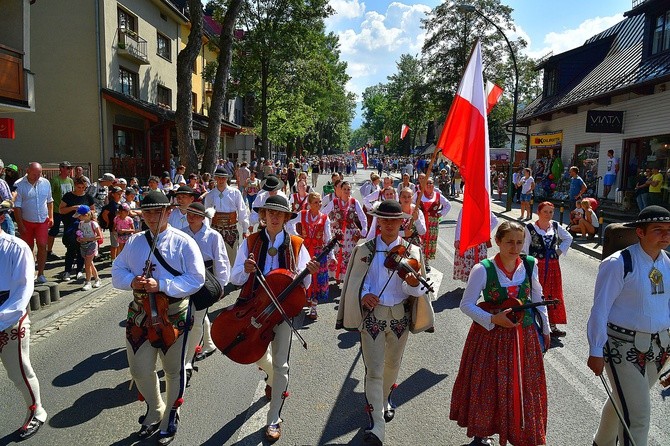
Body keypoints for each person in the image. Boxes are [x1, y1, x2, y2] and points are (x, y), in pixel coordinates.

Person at [336, 200, 434, 446]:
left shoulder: (412, 251)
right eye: (385, 219)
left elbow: (418, 290)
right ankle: (377, 424)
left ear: (402, 221)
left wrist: (413, 284)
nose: (389, 224)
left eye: (394, 220)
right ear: (378, 221)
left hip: (400, 317)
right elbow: (358, 281)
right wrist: (364, 294)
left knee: (392, 365)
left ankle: (386, 398)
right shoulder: (364, 249)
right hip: (373, 317)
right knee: (375, 370)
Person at [112, 191, 205, 445]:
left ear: (170, 212)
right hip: (140, 314)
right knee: (139, 369)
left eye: (158, 211)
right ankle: (155, 408)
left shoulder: (183, 242)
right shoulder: (134, 242)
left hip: (173, 314)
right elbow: (117, 270)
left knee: (173, 370)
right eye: (147, 211)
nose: (152, 217)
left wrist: (162, 284)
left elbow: (197, 278)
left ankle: (171, 414)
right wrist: (131, 280)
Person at [450, 221, 551, 446]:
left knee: (524, 385)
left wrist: (545, 328)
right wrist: (493, 319)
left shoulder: (530, 265)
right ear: (497, 242)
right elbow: (466, 305)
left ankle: (521, 432)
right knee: (489, 383)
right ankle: (482, 432)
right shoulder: (483, 269)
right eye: (509, 242)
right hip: (490, 336)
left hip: (523, 335)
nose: (515, 248)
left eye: (519, 242)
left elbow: (537, 298)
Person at [229, 195, 319, 442]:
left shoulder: (298, 244)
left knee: (282, 365)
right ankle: (270, 376)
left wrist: (308, 273)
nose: (275, 217)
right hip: (253, 310)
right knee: (253, 354)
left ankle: (274, 418)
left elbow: (305, 283)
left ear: (287, 218)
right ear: (263, 216)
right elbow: (234, 277)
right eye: (271, 213)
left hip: (282, 313)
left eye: (280, 214)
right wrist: (244, 270)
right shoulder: (249, 242)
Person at [587, 205, 670, 446]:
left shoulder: (668, 264)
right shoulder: (618, 263)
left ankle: (600, 443)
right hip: (622, 348)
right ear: (640, 232)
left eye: (668, 230)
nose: (665, 235)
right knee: (639, 416)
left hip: (659, 348)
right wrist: (595, 350)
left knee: (623, 402)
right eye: (658, 230)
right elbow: (600, 309)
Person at [0, 200, 48, 440]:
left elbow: (22, 291)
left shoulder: (16, 247)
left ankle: (36, 410)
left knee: (18, 370)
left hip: (9, 316)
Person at [182, 202, 230, 384]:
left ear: (203, 218)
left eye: (195, 214)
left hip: (205, 280)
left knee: (197, 318)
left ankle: (187, 360)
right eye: (189, 213)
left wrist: (221, 284)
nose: (191, 217)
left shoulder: (212, 236)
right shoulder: (182, 233)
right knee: (195, 315)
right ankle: (209, 344)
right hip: (185, 279)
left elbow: (221, 259)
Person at [523, 201, 573, 337]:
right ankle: (535, 324)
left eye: (551, 212)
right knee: (537, 292)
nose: (548, 214)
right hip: (536, 266)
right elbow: (525, 248)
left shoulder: (555, 226)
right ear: (538, 212)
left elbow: (569, 238)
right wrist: (526, 266)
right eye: (545, 211)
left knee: (553, 293)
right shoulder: (529, 228)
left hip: (553, 267)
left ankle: (552, 325)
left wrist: (559, 251)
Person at [287, 192, 333, 320]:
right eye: (316, 202)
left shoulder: (324, 218)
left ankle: (314, 307)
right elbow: (289, 223)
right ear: (309, 204)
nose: (319, 205)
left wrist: (331, 256)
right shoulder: (302, 214)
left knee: (317, 280)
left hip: (318, 254)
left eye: (319, 202)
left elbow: (328, 238)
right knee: (301, 276)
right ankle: (300, 302)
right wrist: (296, 236)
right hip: (304, 252)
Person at [13, 162, 54, 283]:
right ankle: (30, 272)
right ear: (28, 171)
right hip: (26, 221)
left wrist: (51, 217)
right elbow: (17, 206)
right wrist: (20, 224)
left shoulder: (45, 183)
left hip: (42, 220)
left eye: (39, 173)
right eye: (34, 173)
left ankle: (41, 273)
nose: (37, 176)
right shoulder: (19, 184)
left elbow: (49, 201)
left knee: (42, 245)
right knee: (28, 247)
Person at [203, 167, 250, 265]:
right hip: (215, 229)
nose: (220, 180)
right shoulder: (210, 195)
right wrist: (205, 231)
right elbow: (206, 216)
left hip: (231, 229)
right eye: (218, 178)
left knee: (231, 258)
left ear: (227, 179)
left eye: (223, 178)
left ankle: (231, 279)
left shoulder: (235, 193)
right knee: (216, 259)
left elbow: (242, 210)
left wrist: (245, 229)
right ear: (215, 178)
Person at [322, 181, 367, 282]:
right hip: (337, 233)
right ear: (340, 190)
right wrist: (330, 223)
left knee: (349, 255)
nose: (347, 191)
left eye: (348, 189)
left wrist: (364, 231)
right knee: (337, 252)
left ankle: (345, 277)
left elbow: (362, 217)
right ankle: (337, 275)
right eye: (344, 189)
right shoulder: (334, 202)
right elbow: (323, 214)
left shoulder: (355, 202)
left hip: (350, 234)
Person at [60, 177, 95, 281]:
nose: (81, 189)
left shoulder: (88, 197)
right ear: (75, 186)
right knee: (71, 248)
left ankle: (79, 270)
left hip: (84, 226)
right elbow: (61, 210)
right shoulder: (68, 196)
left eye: (83, 187)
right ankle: (67, 271)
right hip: (71, 225)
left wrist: (88, 214)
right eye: (79, 187)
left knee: (82, 249)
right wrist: (73, 208)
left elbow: (93, 211)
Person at [453, 208, 498, 282]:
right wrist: (457, 239)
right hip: (469, 241)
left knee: (477, 262)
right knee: (469, 261)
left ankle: (476, 281)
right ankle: (471, 282)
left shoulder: (483, 208)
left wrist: (485, 232)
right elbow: (460, 223)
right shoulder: (466, 207)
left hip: (475, 241)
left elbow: (495, 220)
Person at [419, 177, 451, 272]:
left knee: (430, 242)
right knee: (420, 240)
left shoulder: (438, 195)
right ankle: (419, 260)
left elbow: (448, 205)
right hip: (421, 222)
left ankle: (426, 261)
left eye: (431, 183)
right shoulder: (419, 195)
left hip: (433, 223)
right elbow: (412, 205)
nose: (429, 185)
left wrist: (440, 215)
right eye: (427, 183)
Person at [47, 161, 74, 260]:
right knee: (54, 230)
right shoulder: (55, 180)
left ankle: (70, 249)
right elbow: (49, 196)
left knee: (69, 231)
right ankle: (49, 251)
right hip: (57, 211)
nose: (69, 170)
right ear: (61, 168)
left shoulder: (70, 181)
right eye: (67, 168)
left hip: (68, 210)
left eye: (70, 168)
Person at [75, 205, 103, 290]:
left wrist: (87, 239)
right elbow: (80, 233)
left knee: (87, 264)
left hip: (92, 245)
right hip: (83, 245)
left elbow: (100, 236)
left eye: (80, 216)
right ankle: (97, 279)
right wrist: (79, 238)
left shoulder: (93, 223)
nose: (78, 217)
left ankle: (88, 282)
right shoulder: (81, 224)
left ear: (86, 215)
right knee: (89, 263)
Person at [101, 186, 124, 260]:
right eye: (118, 194)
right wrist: (108, 222)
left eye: (120, 194)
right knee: (114, 245)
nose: (120, 195)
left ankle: (118, 258)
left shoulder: (120, 203)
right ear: (113, 194)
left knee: (119, 244)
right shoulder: (111, 204)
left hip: (120, 227)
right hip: (113, 227)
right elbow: (104, 214)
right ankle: (113, 259)